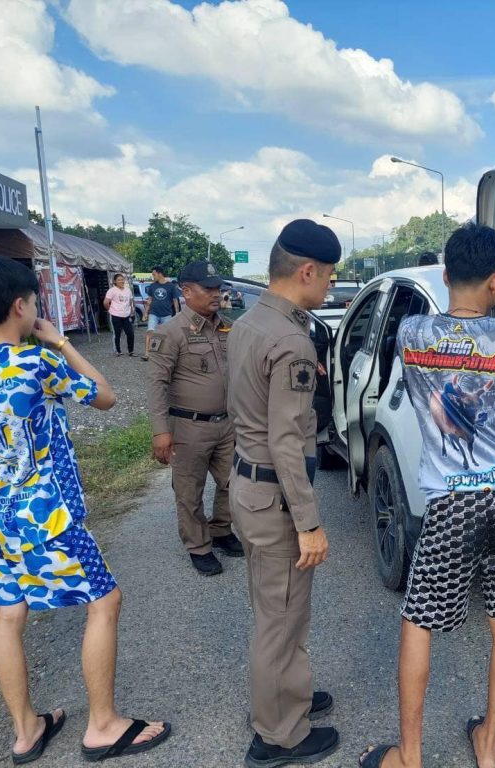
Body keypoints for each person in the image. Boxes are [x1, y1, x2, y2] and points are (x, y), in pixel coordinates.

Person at [0, 256, 170, 763]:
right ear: (19, 306)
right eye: (33, 303)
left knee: (8, 613)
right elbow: (106, 397)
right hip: (49, 517)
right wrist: (62, 343)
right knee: (104, 602)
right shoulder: (36, 362)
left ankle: (26, 732)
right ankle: (103, 726)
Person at [359, 224, 495, 768]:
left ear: (447, 275)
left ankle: (409, 756)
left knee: (419, 620)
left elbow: (415, 389)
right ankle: (489, 744)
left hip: (453, 501)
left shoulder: (411, 332)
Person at [227, 220, 341, 766]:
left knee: (274, 609)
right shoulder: (291, 340)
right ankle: (278, 735)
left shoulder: (250, 321)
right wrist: (309, 523)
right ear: (307, 271)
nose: (332, 284)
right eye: (330, 275)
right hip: (274, 497)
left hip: (248, 488)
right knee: (282, 618)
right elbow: (287, 442)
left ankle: (288, 693)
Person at [145, 260, 242, 576]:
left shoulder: (228, 328)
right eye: (208, 288)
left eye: (218, 288)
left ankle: (221, 529)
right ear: (186, 292)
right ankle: (199, 546)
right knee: (189, 492)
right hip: (189, 427)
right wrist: (160, 431)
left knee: (234, 483)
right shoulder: (169, 332)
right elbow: (157, 384)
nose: (216, 293)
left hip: (227, 424)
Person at [142, 266, 181, 361]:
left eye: (154, 274)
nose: (153, 276)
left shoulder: (171, 286)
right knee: (150, 332)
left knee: (166, 334)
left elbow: (175, 300)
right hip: (153, 313)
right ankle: (147, 354)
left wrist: (177, 313)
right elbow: (149, 300)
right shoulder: (152, 286)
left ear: (160, 274)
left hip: (166, 314)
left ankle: (165, 353)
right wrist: (145, 313)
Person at [104, 273, 136, 357]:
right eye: (119, 280)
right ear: (115, 281)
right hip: (116, 315)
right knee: (117, 333)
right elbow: (106, 302)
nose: (121, 281)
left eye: (122, 279)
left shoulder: (128, 290)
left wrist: (132, 312)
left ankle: (131, 351)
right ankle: (118, 351)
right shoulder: (112, 290)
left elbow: (130, 302)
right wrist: (110, 310)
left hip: (126, 315)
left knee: (130, 333)